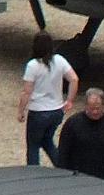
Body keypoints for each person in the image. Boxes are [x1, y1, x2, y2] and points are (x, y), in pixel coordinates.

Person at [18, 29, 77, 166]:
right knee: (47, 140)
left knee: (33, 146)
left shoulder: (33, 66)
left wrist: (21, 110)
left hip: (38, 111)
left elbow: (26, 92)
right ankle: (61, 167)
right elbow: (74, 79)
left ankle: (33, 174)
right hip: (56, 110)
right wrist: (69, 100)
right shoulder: (60, 60)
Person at [58, 89, 104, 183]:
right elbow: (63, 152)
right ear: (86, 106)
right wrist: (62, 177)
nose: (95, 112)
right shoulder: (73, 123)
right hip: (75, 177)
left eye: (98, 108)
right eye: (91, 108)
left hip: (100, 177)